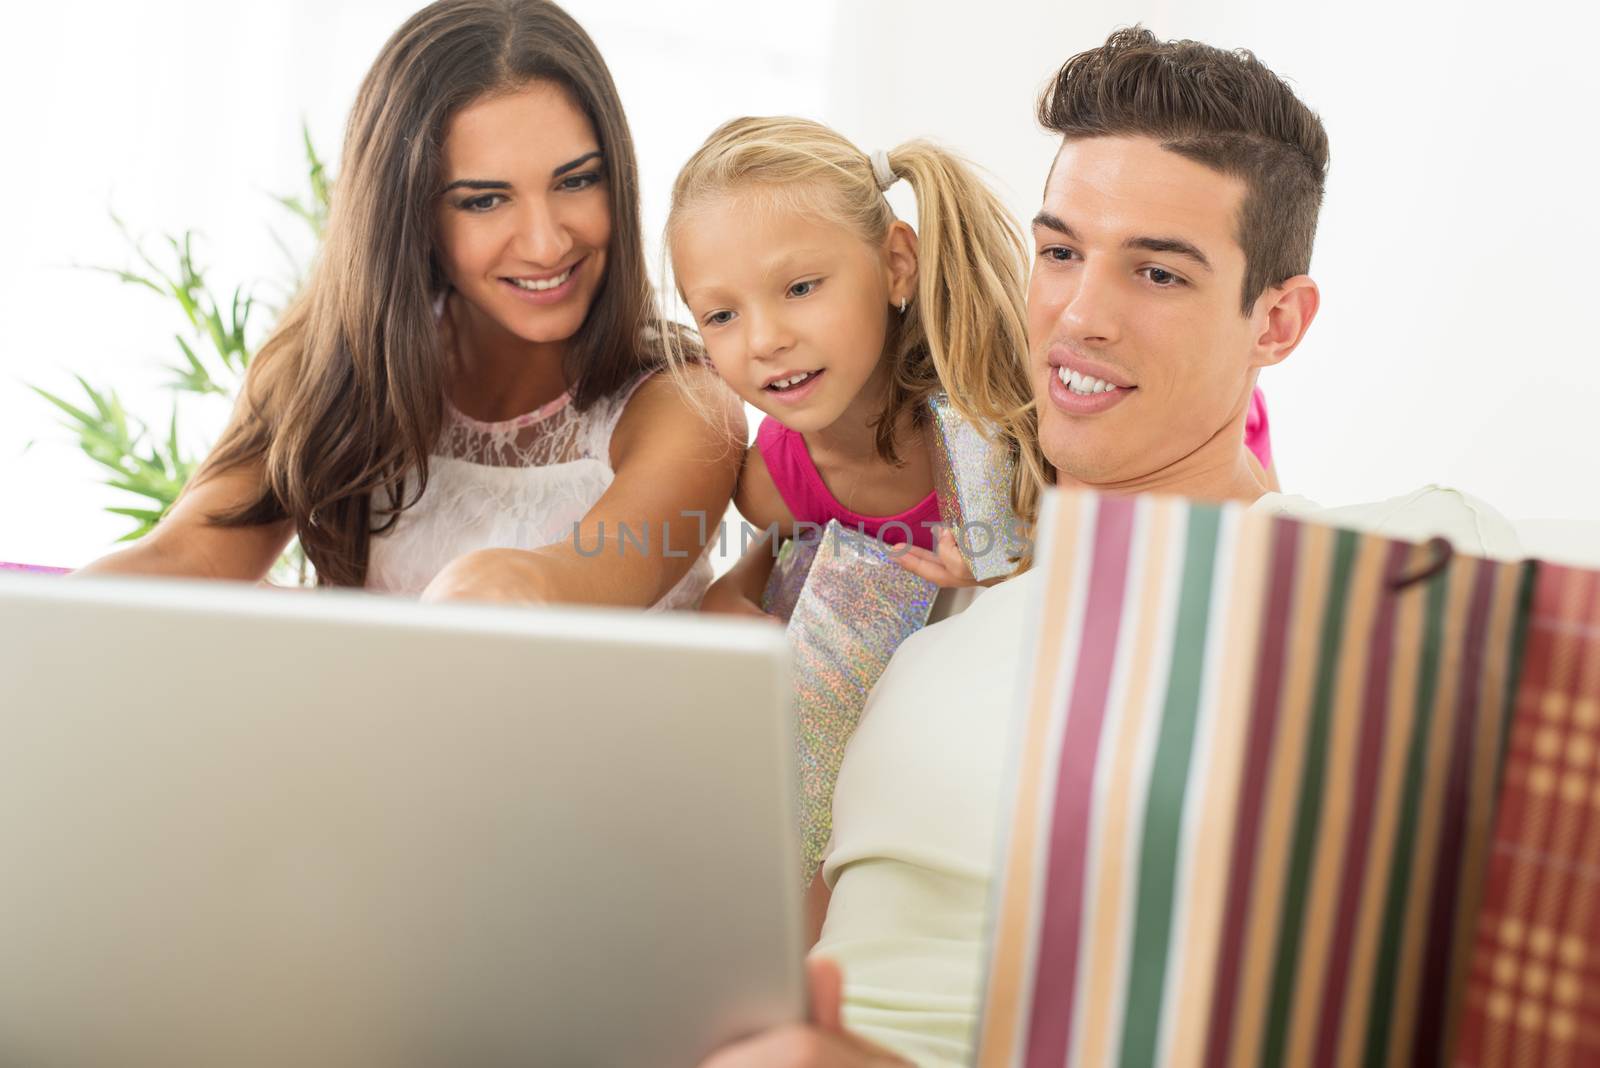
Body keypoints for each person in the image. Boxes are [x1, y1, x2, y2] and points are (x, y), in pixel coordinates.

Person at [700, 26, 1517, 1068]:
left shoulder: (1396, 557)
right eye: (1059, 253)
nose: (1078, 315)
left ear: (1277, 321)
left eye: (1158, 275)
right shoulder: (916, 623)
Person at [77, 0, 742, 610]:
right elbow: (193, 551)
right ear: (412, 214)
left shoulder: (683, 406)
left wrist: (484, 587)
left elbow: (582, 578)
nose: (546, 243)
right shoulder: (321, 369)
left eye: (576, 180)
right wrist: (45, 630)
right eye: (484, 199)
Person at [666, 116, 1273, 611]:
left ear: (897, 265)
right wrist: (731, 602)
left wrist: (1007, 576)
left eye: (800, 289)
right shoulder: (770, 483)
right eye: (721, 316)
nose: (764, 341)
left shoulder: (1018, 418)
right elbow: (775, 566)